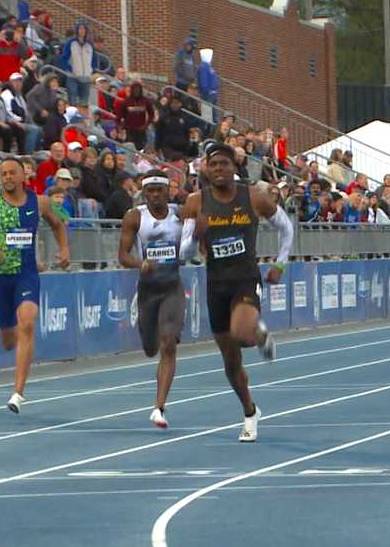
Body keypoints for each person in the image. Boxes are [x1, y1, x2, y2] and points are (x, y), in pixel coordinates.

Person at [182, 143, 290, 442]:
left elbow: (287, 228)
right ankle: (250, 412)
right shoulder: (195, 202)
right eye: (213, 164)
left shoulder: (254, 196)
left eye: (224, 164)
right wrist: (195, 236)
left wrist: (280, 265)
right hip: (216, 283)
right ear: (206, 167)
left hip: (245, 278)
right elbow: (183, 252)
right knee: (231, 362)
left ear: (234, 168)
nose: (218, 169)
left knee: (242, 335)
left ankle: (256, 331)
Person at [0, 157, 71, 413]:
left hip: (26, 273)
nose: (7, 178)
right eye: (3, 173)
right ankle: (16, 353)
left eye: (12, 173)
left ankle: (18, 392)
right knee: (8, 340)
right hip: (0, 277)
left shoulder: (39, 202)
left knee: (27, 321)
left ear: (23, 176)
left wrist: (65, 249)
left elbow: (58, 225)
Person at [117, 170, 197, 428]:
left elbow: (199, 227)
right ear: (144, 193)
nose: (153, 195)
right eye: (149, 191)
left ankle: (159, 407)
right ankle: (150, 340)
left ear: (167, 191)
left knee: (168, 344)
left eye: (158, 190)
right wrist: (140, 264)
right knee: (151, 348)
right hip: (148, 289)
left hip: (172, 287)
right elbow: (122, 255)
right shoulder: (134, 217)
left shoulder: (180, 213)